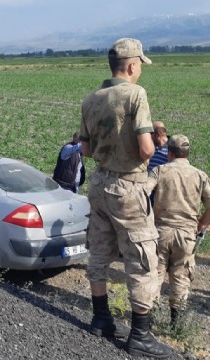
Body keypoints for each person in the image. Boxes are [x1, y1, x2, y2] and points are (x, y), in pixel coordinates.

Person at [79, 38, 172, 358]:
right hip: (128, 186)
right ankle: (140, 335)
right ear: (133, 66)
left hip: (99, 185)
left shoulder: (90, 99)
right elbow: (146, 150)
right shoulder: (136, 94)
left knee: (100, 253)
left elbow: (86, 150)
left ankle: (101, 318)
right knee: (142, 260)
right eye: (140, 66)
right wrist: (159, 143)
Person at [148, 135, 210, 328]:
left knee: (155, 275)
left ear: (170, 153)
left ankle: (148, 321)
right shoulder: (200, 176)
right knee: (181, 276)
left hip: (160, 231)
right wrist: (201, 223)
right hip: (186, 234)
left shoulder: (159, 171)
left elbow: (142, 193)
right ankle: (176, 324)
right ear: (187, 153)